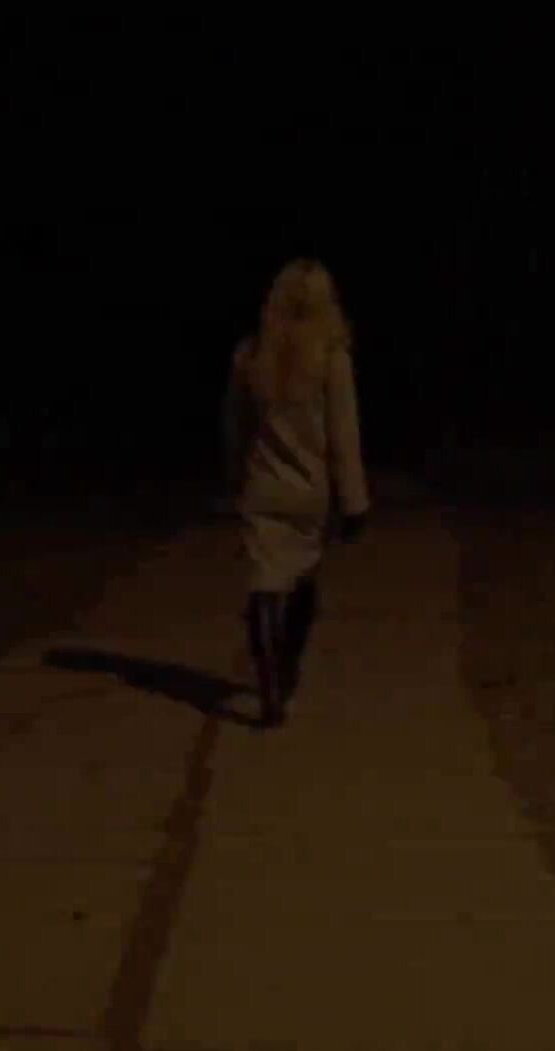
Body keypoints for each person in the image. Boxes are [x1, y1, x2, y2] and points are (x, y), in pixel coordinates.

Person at [223, 258, 370, 728]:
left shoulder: (251, 356)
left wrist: (234, 478)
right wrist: (354, 502)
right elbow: (343, 436)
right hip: (310, 492)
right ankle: (285, 675)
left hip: (263, 488)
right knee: (304, 580)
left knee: (265, 584)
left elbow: (235, 429)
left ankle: (269, 688)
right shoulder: (332, 359)